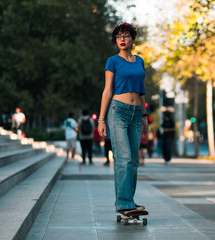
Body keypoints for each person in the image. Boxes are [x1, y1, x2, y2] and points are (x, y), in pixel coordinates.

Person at [97, 23, 148, 215]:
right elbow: (108, 90)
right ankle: (124, 203)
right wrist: (101, 119)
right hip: (117, 111)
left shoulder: (140, 61)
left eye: (126, 36)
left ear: (133, 39)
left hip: (136, 114)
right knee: (123, 158)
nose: (122, 39)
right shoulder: (112, 61)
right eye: (118, 36)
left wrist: (144, 116)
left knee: (134, 161)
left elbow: (142, 91)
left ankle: (129, 201)